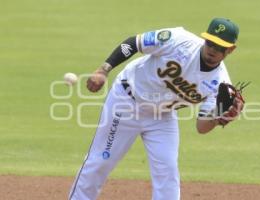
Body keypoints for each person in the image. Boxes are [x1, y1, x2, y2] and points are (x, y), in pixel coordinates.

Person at [69, 17, 242, 200]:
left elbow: (201, 127)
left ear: (230, 50)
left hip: (162, 116)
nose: (213, 50)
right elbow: (134, 43)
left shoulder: (221, 84)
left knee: (167, 169)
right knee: (101, 160)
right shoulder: (179, 40)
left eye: (220, 47)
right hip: (126, 100)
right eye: (210, 43)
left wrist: (217, 118)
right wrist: (103, 70)